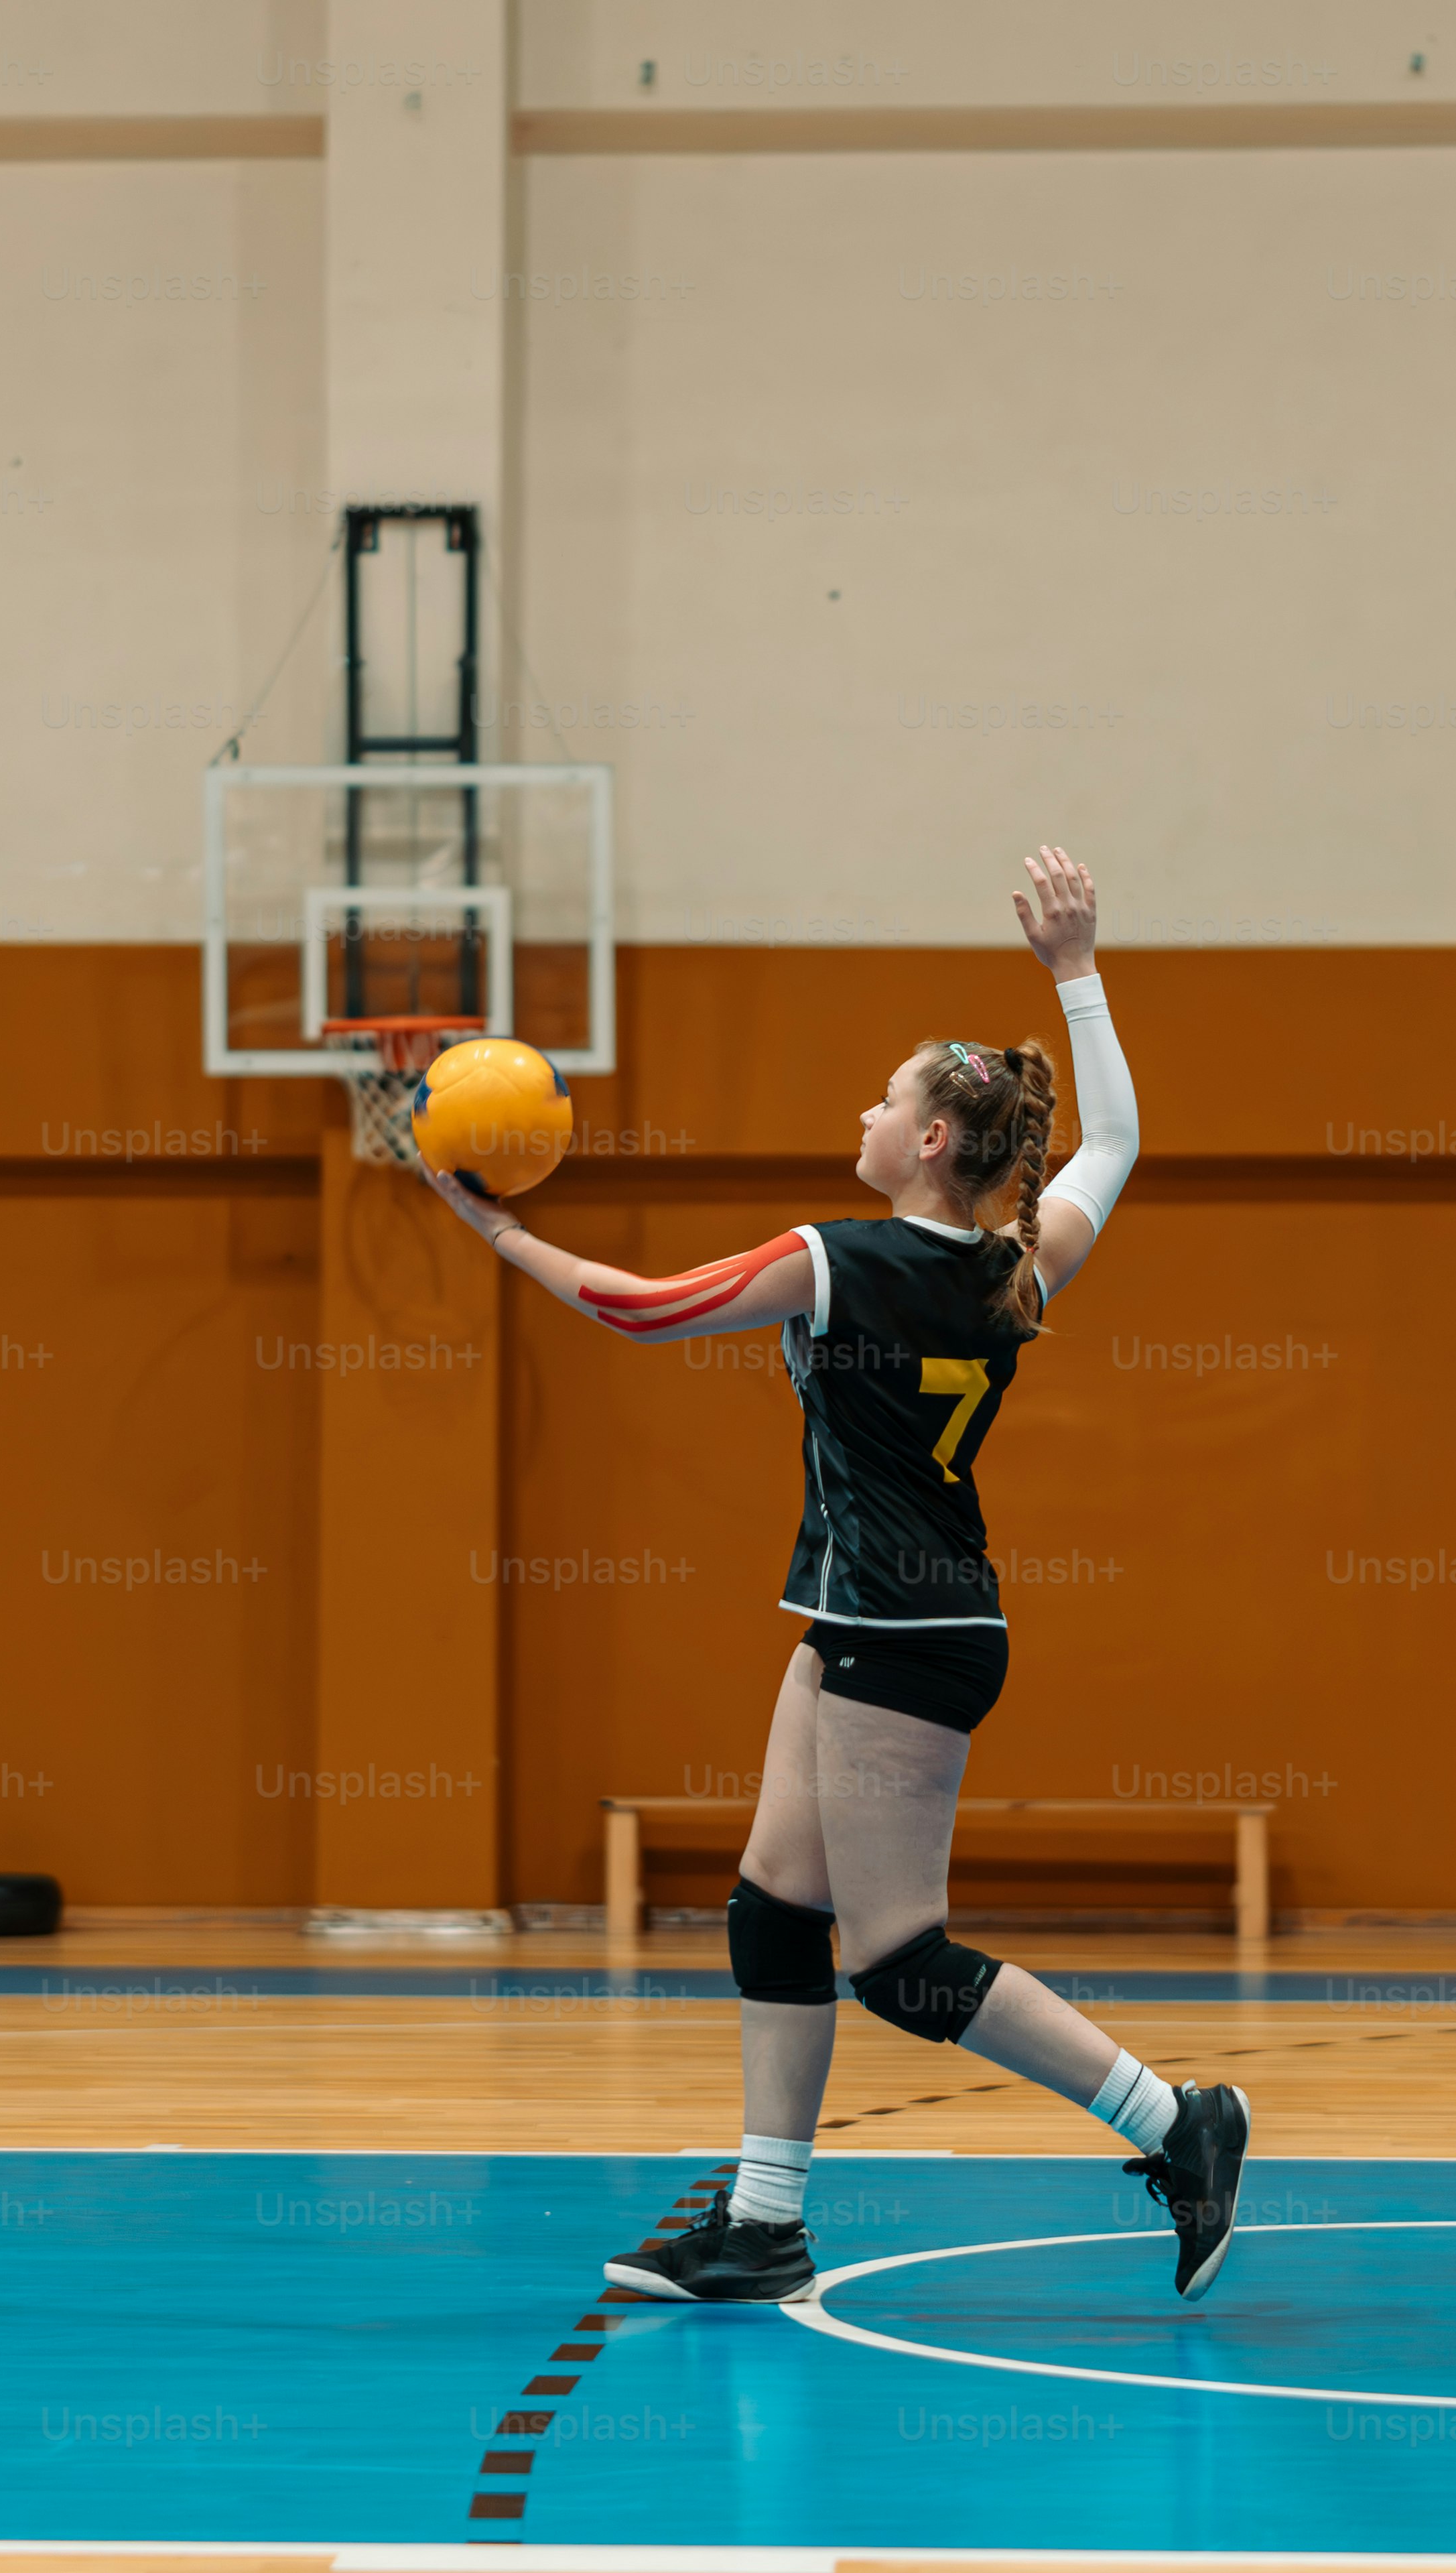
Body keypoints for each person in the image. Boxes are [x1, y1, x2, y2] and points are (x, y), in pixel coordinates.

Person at [422, 846, 1248, 2303]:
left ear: (932, 1140)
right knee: (770, 1912)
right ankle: (764, 2223)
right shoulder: (1017, 1265)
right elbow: (1113, 1145)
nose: (863, 1113)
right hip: (868, 1621)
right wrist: (1079, 975)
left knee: (902, 1962)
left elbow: (639, 1309)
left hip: (905, 1632)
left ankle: (1175, 2121)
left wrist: (493, 1225)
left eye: (887, 1098)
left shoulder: (841, 1258)